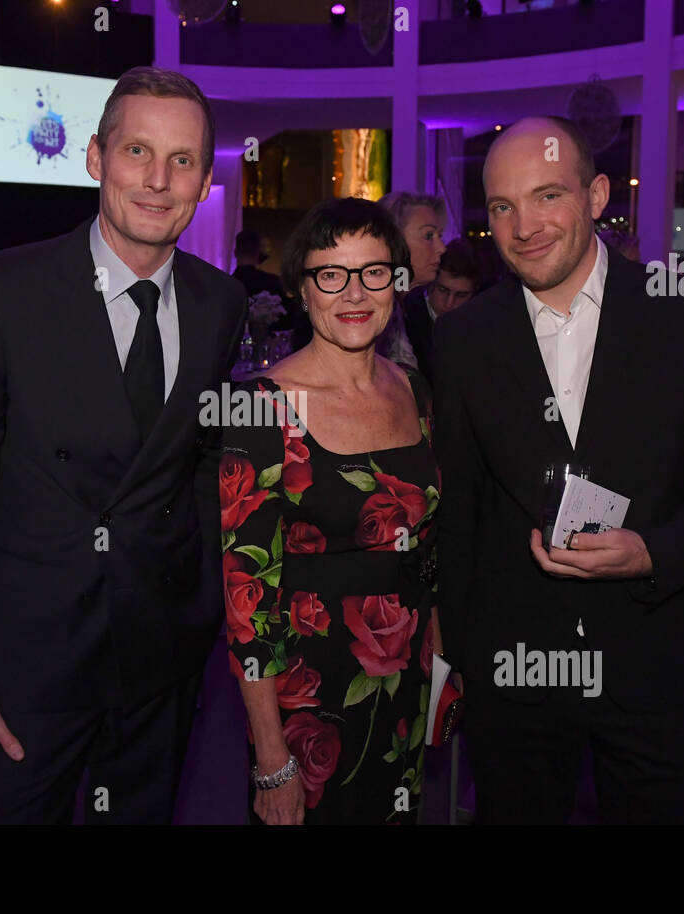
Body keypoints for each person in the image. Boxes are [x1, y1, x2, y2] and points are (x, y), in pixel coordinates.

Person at [434, 117, 684, 823]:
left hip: (657, 654)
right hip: (515, 665)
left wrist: (656, 551)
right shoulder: (462, 339)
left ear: (596, 195)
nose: (523, 225)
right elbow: (460, 505)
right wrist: (454, 649)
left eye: (547, 196)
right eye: (502, 206)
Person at [0, 66, 247, 824]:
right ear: (96, 157)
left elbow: (199, 461)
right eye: (138, 151)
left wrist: (199, 607)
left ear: (205, 179)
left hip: (158, 654)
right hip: (25, 665)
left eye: (183, 161)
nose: (159, 181)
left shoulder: (218, 302)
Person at [223, 196, 441, 824]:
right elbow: (246, 607)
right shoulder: (261, 409)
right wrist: (273, 758)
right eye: (330, 274)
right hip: (307, 705)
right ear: (300, 288)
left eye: (374, 271)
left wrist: (442, 664)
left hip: (405, 684)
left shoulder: (416, 390)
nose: (354, 292)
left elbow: (430, 549)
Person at [376, 191, 446, 370]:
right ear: (392, 241)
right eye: (428, 236)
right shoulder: (370, 310)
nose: (441, 248)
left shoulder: (401, 307)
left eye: (440, 236)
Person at [404, 238, 480, 388]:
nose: (449, 303)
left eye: (461, 295)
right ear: (430, 283)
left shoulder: (479, 326)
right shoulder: (406, 318)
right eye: (443, 290)